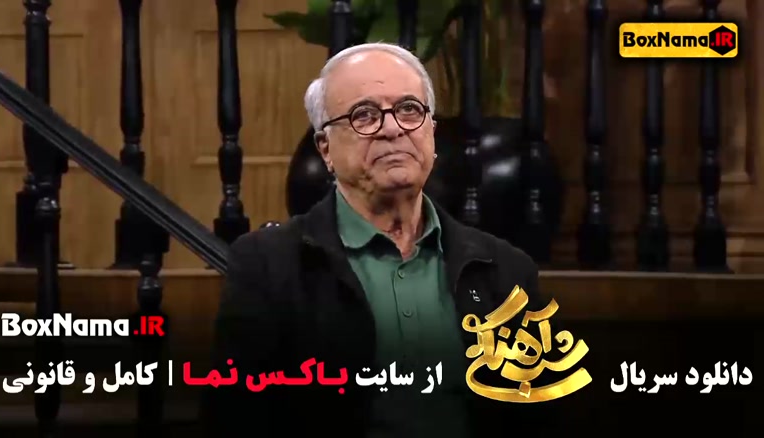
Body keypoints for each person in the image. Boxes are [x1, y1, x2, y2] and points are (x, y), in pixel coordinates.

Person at [201, 42, 562, 436]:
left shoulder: (505, 270)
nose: (393, 129)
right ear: (325, 148)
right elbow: (235, 419)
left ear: (431, 132)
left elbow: (537, 416)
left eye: (409, 109)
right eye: (365, 115)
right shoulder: (268, 266)